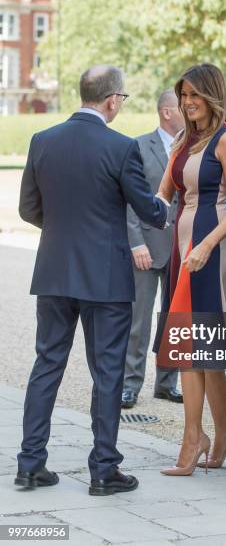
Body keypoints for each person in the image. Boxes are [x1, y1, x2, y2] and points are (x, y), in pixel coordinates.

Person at [16, 65, 168, 496]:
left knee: (46, 365)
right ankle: (103, 469)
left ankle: (30, 466)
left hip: (55, 271)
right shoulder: (121, 147)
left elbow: (29, 208)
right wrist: (167, 209)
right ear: (111, 100)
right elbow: (145, 208)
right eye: (122, 99)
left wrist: (64, 228)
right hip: (104, 277)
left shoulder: (42, 141)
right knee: (107, 373)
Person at [153, 63, 226, 475]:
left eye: (194, 95)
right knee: (200, 349)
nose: (187, 102)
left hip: (211, 249)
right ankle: (223, 431)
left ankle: (194, 441)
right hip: (182, 249)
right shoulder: (182, 140)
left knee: (196, 347)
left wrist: (207, 246)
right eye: (183, 95)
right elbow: (162, 194)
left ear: (211, 95)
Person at [122, 90, 184, 409]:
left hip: (180, 249)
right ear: (166, 112)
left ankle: (166, 383)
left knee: (174, 319)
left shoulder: (192, 147)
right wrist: (136, 242)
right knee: (139, 319)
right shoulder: (138, 146)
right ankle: (130, 385)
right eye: (183, 107)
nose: (189, 111)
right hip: (146, 246)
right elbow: (132, 198)